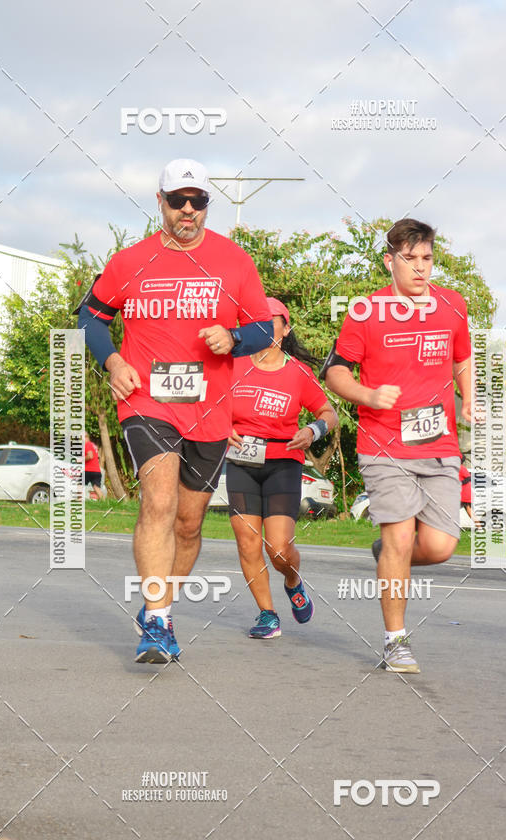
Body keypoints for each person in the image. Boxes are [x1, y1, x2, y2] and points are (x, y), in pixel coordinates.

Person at [77, 158, 273, 663]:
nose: (188, 210)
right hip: (147, 401)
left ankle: (161, 603)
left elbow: (266, 329)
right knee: (158, 503)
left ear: (208, 205)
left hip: (210, 409)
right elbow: (91, 317)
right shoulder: (129, 261)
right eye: (178, 200)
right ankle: (158, 623)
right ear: (159, 202)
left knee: (188, 523)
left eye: (199, 201)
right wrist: (113, 359)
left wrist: (234, 337)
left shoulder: (234, 261)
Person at [324, 218, 472, 674]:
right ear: (390, 261)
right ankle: (396, 642)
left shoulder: (452, 305)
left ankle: (389, 553)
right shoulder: (365, 312)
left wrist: (468, 400)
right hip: (384, 443)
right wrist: (367, 395)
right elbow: (335, 372)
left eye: (427, 258)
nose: (421, 268)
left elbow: (462, 356)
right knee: (401, 535)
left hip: (439, 444)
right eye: (410, 259)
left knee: (442, 545)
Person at [226, 298, 338, 638]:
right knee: (247, 542)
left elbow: (329, 414)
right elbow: (209, 402)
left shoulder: (298, 373)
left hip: (282, 464)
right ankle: (267, 614)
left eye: (270, 321)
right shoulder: (234, 365)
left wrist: (312, 431)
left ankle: (292, 580)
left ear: (285, 329)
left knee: (277, 548)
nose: (262, 327)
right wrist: (220, 426)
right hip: (241, 462)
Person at [459, 453, 482, 528]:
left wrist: (460, 483)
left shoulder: (461, 468)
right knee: (469, 510)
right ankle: (480, 528)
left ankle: (480, 527)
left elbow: (469, 478)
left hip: (465, 494)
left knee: (469, 510)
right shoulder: (457, 468)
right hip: (462, 494)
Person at [84, 432, 104, 500]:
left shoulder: (87, 444)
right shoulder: (93, 445)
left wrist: (81, 459)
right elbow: (97, 456)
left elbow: (90, 456)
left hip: (89, 470)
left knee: (79, 484)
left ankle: (79, 501)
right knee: (96, 487)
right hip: (97, 470)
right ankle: (105, 502)